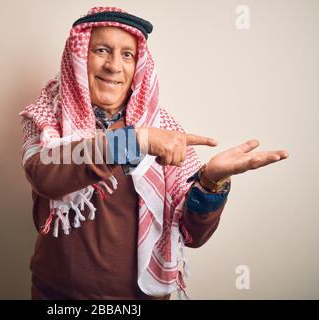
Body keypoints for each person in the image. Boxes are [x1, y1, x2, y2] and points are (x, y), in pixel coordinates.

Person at [19, 7, 288, 300]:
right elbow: (43, 172)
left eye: (127, 55)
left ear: (138, 67)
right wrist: (134, 141)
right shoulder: (46, 116)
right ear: (80, 56)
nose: (113, 65)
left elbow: (191, 234)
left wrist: (211, 182)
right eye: (101, 50)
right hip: (57, 296)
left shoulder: (162, 129)